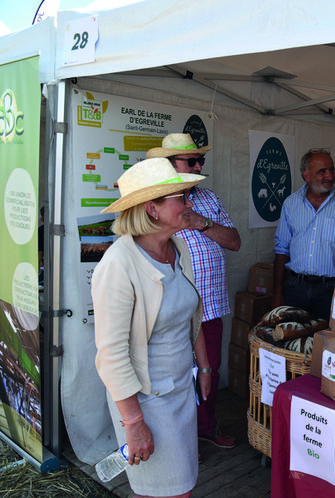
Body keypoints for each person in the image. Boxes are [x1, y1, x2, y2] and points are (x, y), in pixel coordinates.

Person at [92, 158, 211, 498]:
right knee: (168, 492)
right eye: (180, 197)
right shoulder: (118, 264)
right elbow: (111, 355)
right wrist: (133, 423)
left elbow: (191, 314)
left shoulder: (178, 248)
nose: (189, 204)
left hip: (180, 392)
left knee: (179, 487)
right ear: (152, 209)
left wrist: (204, 366)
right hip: (146, 402)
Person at [147, 134, 241, 450]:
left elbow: (234, 241)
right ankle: (179, 441)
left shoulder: (208, 198)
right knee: (173, 377)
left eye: (201, 159)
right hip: (171, 308)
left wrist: (201, 222)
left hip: (210, 304)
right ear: (169, 165)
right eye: (191, 160)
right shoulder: (155, 202)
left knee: (209, 371)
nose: (199, 165)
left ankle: (205, 427)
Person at [272, 148, 335, 318]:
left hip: (331, 289)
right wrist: (277, 292)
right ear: (306, 175)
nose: (330, 176)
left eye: (331, 169)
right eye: (322, 171)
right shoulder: (291, 204)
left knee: (327, 341)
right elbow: (282, 250)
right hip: (296, 287)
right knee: (293, 340)